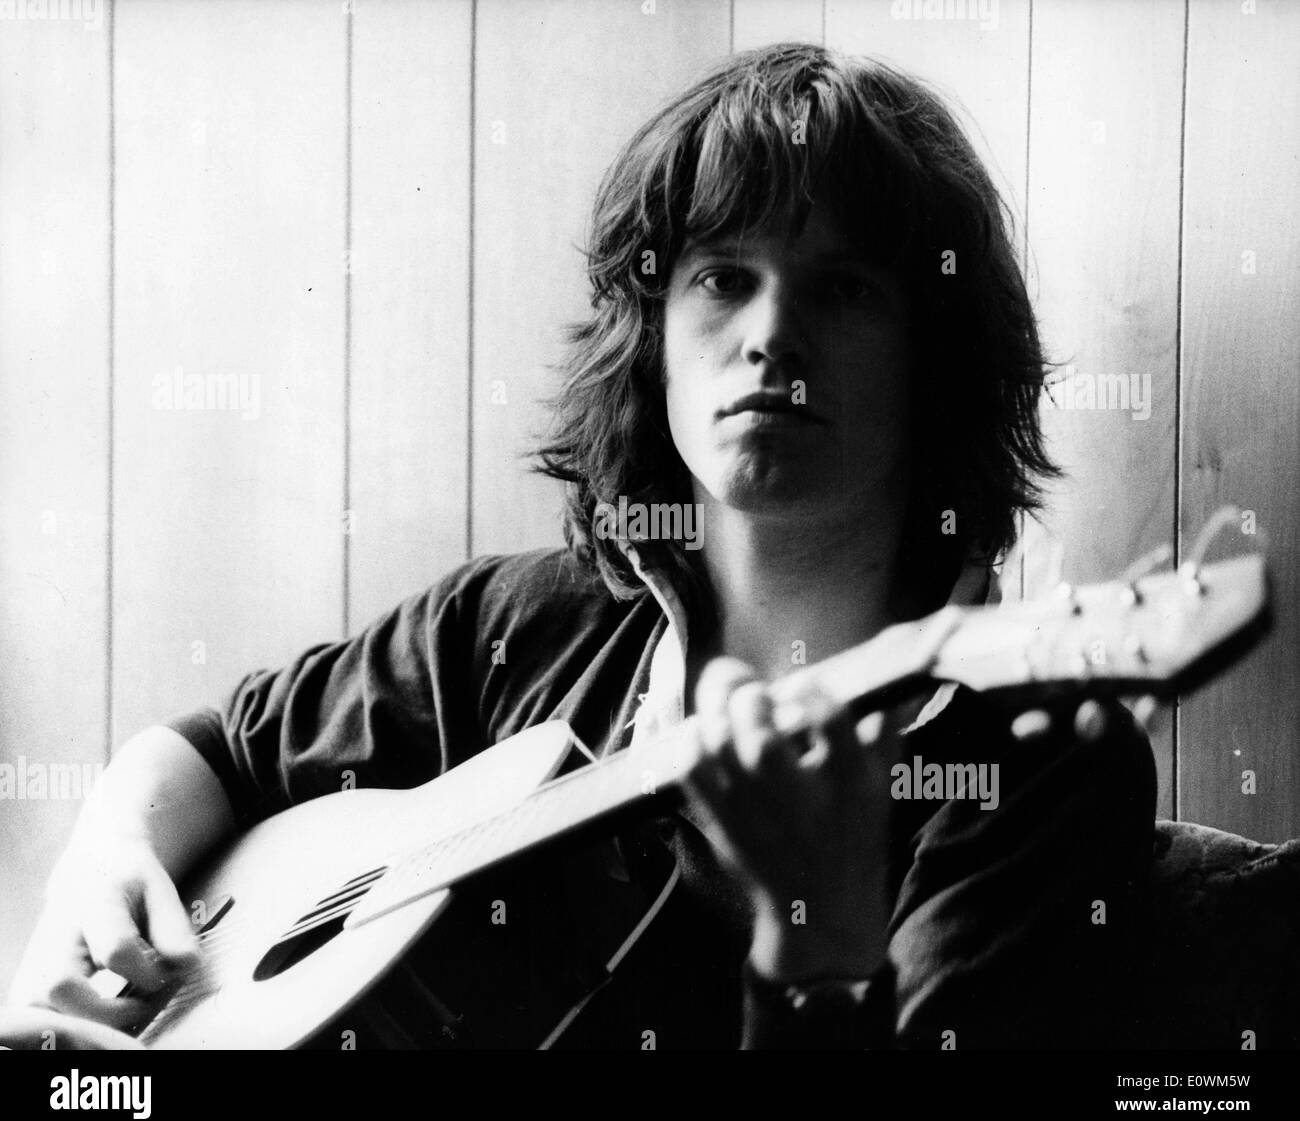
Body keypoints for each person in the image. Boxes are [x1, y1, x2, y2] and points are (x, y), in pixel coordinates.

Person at [2, 42, 1155, 1050]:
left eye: (843, 287)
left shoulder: (1033, 755)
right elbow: (225, 747)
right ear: (650, 338)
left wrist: (815, 927)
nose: (770, 335)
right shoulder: (516, 626)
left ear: (933, 357)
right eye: (721, 277)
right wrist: (101, 856)